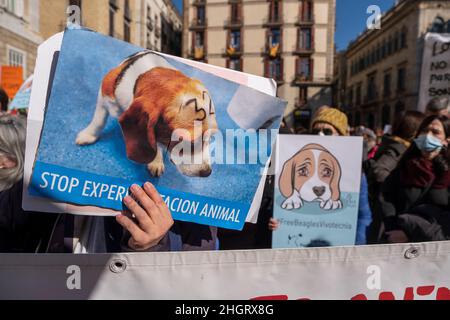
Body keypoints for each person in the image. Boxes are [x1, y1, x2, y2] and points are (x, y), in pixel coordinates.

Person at [269, 107, 372, 245]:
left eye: (328, 131)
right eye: (316, 131)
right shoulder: (296, 160)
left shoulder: (356, 173)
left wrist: (357, 248)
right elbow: (283, 206)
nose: (321, 135)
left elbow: (364, 216)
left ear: (341, 135)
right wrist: (278, 222)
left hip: (339, 251)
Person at [378, 115, 450, 243]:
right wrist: (392, 228)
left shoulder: (446, 173)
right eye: (424, 130)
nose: (428, 135)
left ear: (446, 140)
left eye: (435, 132)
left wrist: (411, 234)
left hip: (435, 248)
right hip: (397, 243)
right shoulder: (404, 166)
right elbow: (387, 199)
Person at [365, 111, 426, 243]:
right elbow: (379, 171)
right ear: (414, 131)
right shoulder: (397, 150)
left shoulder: (399, 147)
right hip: (385, 217)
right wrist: (396, 184)